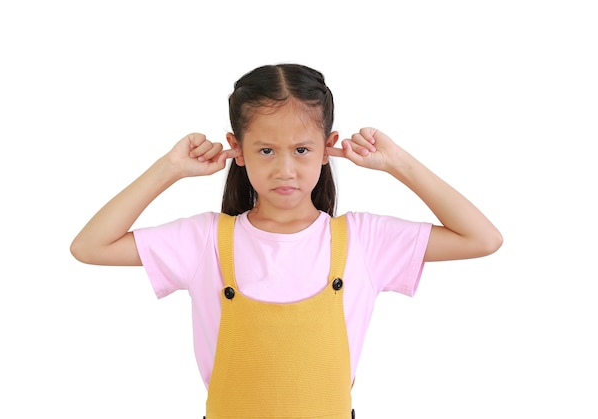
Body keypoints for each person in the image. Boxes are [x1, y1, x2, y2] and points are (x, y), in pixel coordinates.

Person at [70, 63, 502, 418]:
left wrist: (398, 163)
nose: (285, 169)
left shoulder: (361, 240)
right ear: (236, 150)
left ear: (328, 146)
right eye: (265, 150)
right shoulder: (206, 240)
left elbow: (482, 238)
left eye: (301, 149)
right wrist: (169, 168)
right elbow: (90, 247)